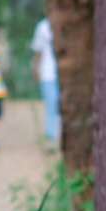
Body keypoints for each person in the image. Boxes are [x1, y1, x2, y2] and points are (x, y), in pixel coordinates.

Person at [30, 16, 60, 145]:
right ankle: (51, 137)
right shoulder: (43, 26)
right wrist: (36, 69)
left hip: (68, 73)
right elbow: (38, 51)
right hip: (48, 73)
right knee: (51, 105)